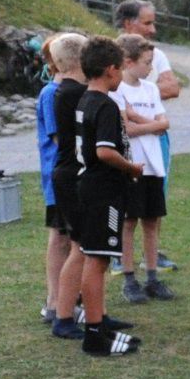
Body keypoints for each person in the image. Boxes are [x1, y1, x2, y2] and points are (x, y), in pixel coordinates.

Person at [71, 38, 146, 357]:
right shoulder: (105, 106)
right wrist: (131, 167)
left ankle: (99, 325)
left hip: (89, 186)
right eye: (120, 70)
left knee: (95, 257)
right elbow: (104, 151)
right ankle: (94, 335)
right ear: (111, 70)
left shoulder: (85, 100)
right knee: (97, 259)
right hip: (102, 191)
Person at [115, 0, 180, 270]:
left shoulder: (154, 56)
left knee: (154, 204)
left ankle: (150, 259)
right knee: (127, 211)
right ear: (128, 23)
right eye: (147, 23)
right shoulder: (113, 58)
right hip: (128, 152)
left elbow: (173, 88)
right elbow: (125, 125)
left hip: (153, 143)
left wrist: (140, 112)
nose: (153, 29)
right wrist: (152, 120)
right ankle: (120, 258)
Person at [41, 34, 90, 339]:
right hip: (59, 177)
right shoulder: (53, 93)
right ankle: (55, 301)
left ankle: (68, 300)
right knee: (61, 238)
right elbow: (62, 138)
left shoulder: (68, 90)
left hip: (70, 175)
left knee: (68, 239)